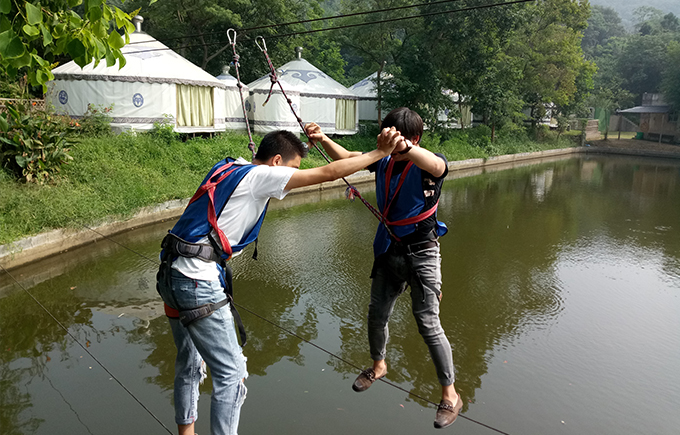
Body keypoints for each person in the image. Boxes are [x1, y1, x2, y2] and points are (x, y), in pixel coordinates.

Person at [156, 127, 404, 435]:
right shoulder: (262, 176)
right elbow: (327, 173)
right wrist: (380, 153)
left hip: (170, 272)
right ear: (275, 161)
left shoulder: (229, 166)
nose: (291, 179)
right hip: (197, 281)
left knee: (189, 363)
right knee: (232, 374)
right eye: (292, 169)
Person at [306, 107, 462, 429]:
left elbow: (438, 165)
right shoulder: (385, 161)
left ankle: (450, 393)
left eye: (394, 135)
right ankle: (378, 365)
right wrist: (324, 139)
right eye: (384, 133)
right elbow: (351, 155)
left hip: (421, 255)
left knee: (428, 323)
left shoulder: (428, 165)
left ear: (414, 138)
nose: (386, 140)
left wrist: (405, 148)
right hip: (388, 249)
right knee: (376, 313)